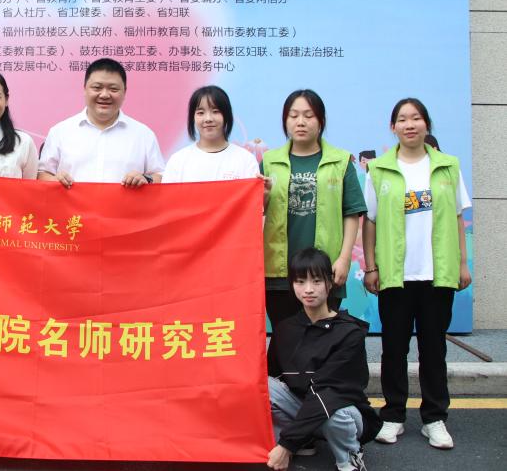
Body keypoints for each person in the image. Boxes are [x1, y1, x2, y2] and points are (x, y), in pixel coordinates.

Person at [362, 98, 471, 450]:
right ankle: (393, 416)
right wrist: (371, 267)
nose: (410, 125)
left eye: (416, 118)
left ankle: (434, 419)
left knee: (433, 349)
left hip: (437, 274)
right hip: (396, 275)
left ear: (426, 124)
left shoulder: (447, 166)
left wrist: (462, 264)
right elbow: (370, 222)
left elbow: (458, 217)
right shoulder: (379, 170)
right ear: (392, 127)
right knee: (394, 350)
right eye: (402, 119)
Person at [267, 248, 380, 471]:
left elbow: (329, 393)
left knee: (335, 412)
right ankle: (303, 439)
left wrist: (286, 445)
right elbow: (274, 378)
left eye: (317, 281)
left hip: (341, 411)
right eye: (300, 282)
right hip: (302, 409)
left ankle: (349, 459)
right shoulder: (285, 329)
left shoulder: (349, 332)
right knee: (263, 387)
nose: (308, 289)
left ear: (329, 284)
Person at [262, 90, 366, 328]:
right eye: (293, 115)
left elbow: (351, 213)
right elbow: (256, 211)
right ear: (285, 121)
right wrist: (264, 197)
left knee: (323, 337)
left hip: (325, 269)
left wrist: (344, 258)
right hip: (279, 271)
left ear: (321, 121)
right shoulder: (269, 162)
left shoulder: (341, 161)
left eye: (308, 115)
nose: (300, 122)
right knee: (285, 336)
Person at [37, 58, 165, 187]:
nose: (104, 95)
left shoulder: (143, 134)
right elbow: (42, 173)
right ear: (85, 89)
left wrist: (147, 179)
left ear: (124, 92)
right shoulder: (60, 132)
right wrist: (55, 180)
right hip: (73, 202)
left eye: (113, 89)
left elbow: (161, 176)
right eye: (97, 87)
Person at [162, 85, 259, 183]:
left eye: (215, 111)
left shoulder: (246, 160)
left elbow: (253, 192)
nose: (208, 119)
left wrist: (265, 191)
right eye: (201, 113)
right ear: (193, 118)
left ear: (226, 115)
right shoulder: (178, 161)